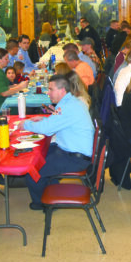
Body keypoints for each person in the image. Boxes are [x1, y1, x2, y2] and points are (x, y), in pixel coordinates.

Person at [22, 74, 94, 210]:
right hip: (69, 150)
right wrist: (43, 120)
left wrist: (25, 124)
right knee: (39, 156)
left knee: (33, 170)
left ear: (62, 90)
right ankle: (50, 190)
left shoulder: (67, 106)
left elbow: (47, 129)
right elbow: (53, 123)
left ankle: (42, 203)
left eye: (50, 89)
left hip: (75, 158)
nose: (48, 93)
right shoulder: (70, 102)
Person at [0, 48, 29, 116]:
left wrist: (16, 86)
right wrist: (20, 87)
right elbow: (4, 93)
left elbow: (3, 87)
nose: (8, 61)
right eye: (6, 59)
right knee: (24, 108)